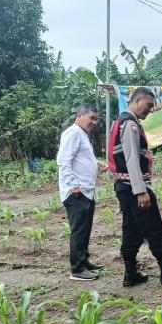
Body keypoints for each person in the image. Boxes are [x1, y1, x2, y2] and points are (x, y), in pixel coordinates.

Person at [109, 86, 162, 286]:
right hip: (133, 188)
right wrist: (141, 191)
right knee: (154, 229)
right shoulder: (129, 124)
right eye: (148, 105)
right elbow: (131, 160)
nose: (150, 109)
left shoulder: (121, 122)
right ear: (136, 101)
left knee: (131, 231)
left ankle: (130, 274)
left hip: (124, 187)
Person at [57, 102, 106, 280]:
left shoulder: (82, 134)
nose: (93, 122)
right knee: (79, 230)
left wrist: (96, 164)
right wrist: (72, 185)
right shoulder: (72, 133)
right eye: (91, 118)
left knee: (85, 229)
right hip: (77, 191)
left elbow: (80, 159)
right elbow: (63, 160)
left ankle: (83, 260)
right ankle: (77, 269)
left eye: (95, 119)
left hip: (86, 190)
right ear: (79, 115)